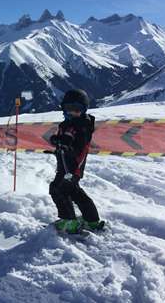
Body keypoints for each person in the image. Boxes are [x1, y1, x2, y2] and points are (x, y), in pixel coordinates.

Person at [48, 89, 103, 233]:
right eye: (68, 109)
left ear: (83, 110)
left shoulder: (82, 126)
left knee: (57, 189)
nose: (72, 113)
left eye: (76, 109)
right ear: (63, 108)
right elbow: (63, 138)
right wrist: (57, 142)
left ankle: (69, 221)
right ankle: (92, 220)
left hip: (72, 168)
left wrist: (66, 145)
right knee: (75, 192)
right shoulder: (69, 124)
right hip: (67, 167)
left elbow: (77, 148)